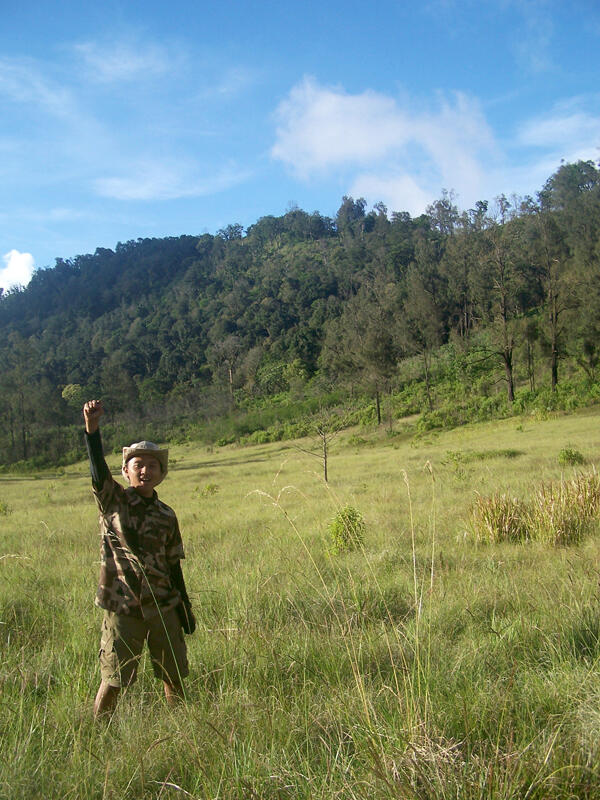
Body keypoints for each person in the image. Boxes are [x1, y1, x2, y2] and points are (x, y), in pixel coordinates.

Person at [83, 399, 195, 717]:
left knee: (173, 676)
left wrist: (184, 607)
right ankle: (99, 736)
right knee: (115, 679)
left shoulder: (167, 515)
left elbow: (173, 564)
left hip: (163, 605)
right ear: (126, 471)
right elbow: (97, 473)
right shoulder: (114, 502)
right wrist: (92, 430)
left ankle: (183, 733)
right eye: (138, 465)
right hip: (123, 606)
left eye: (152, 465)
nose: (145, 470)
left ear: (162, 472)